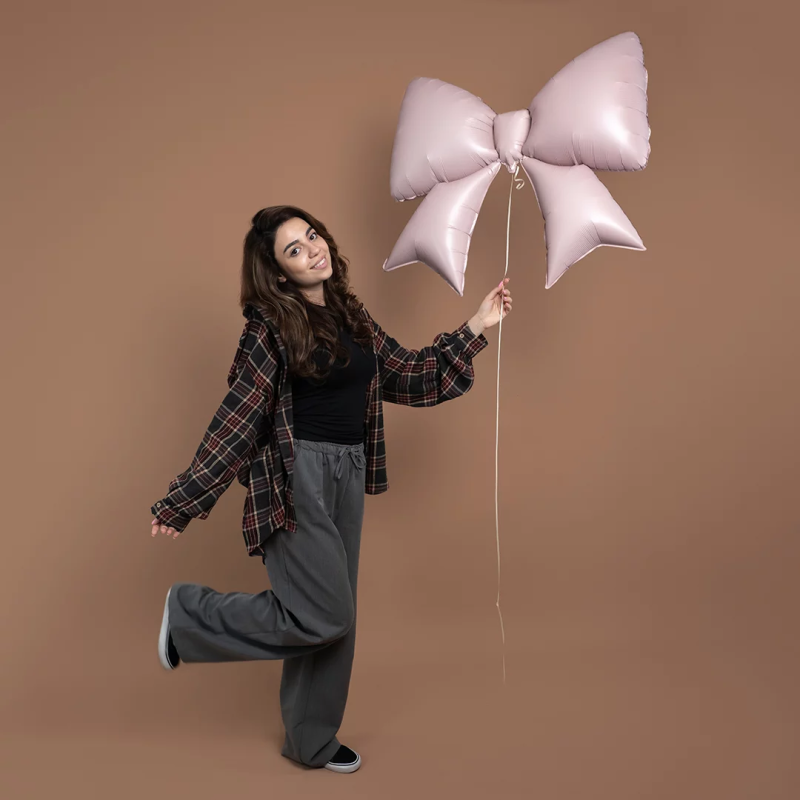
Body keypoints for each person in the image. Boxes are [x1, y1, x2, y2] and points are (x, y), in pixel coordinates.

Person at [149, 205, 512, 773]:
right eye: (294, 250)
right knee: (326, 612)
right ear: (279, 272)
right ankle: (189, 615)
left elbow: (405, 375)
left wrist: (475, 327)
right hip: (296, 474)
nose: (312, 250)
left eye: (311, 235)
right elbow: (238, 419)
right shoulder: (269, 327)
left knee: (338, 613)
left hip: (348, 469)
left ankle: (311, 741)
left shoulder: (351, 314)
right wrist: (184, 499)